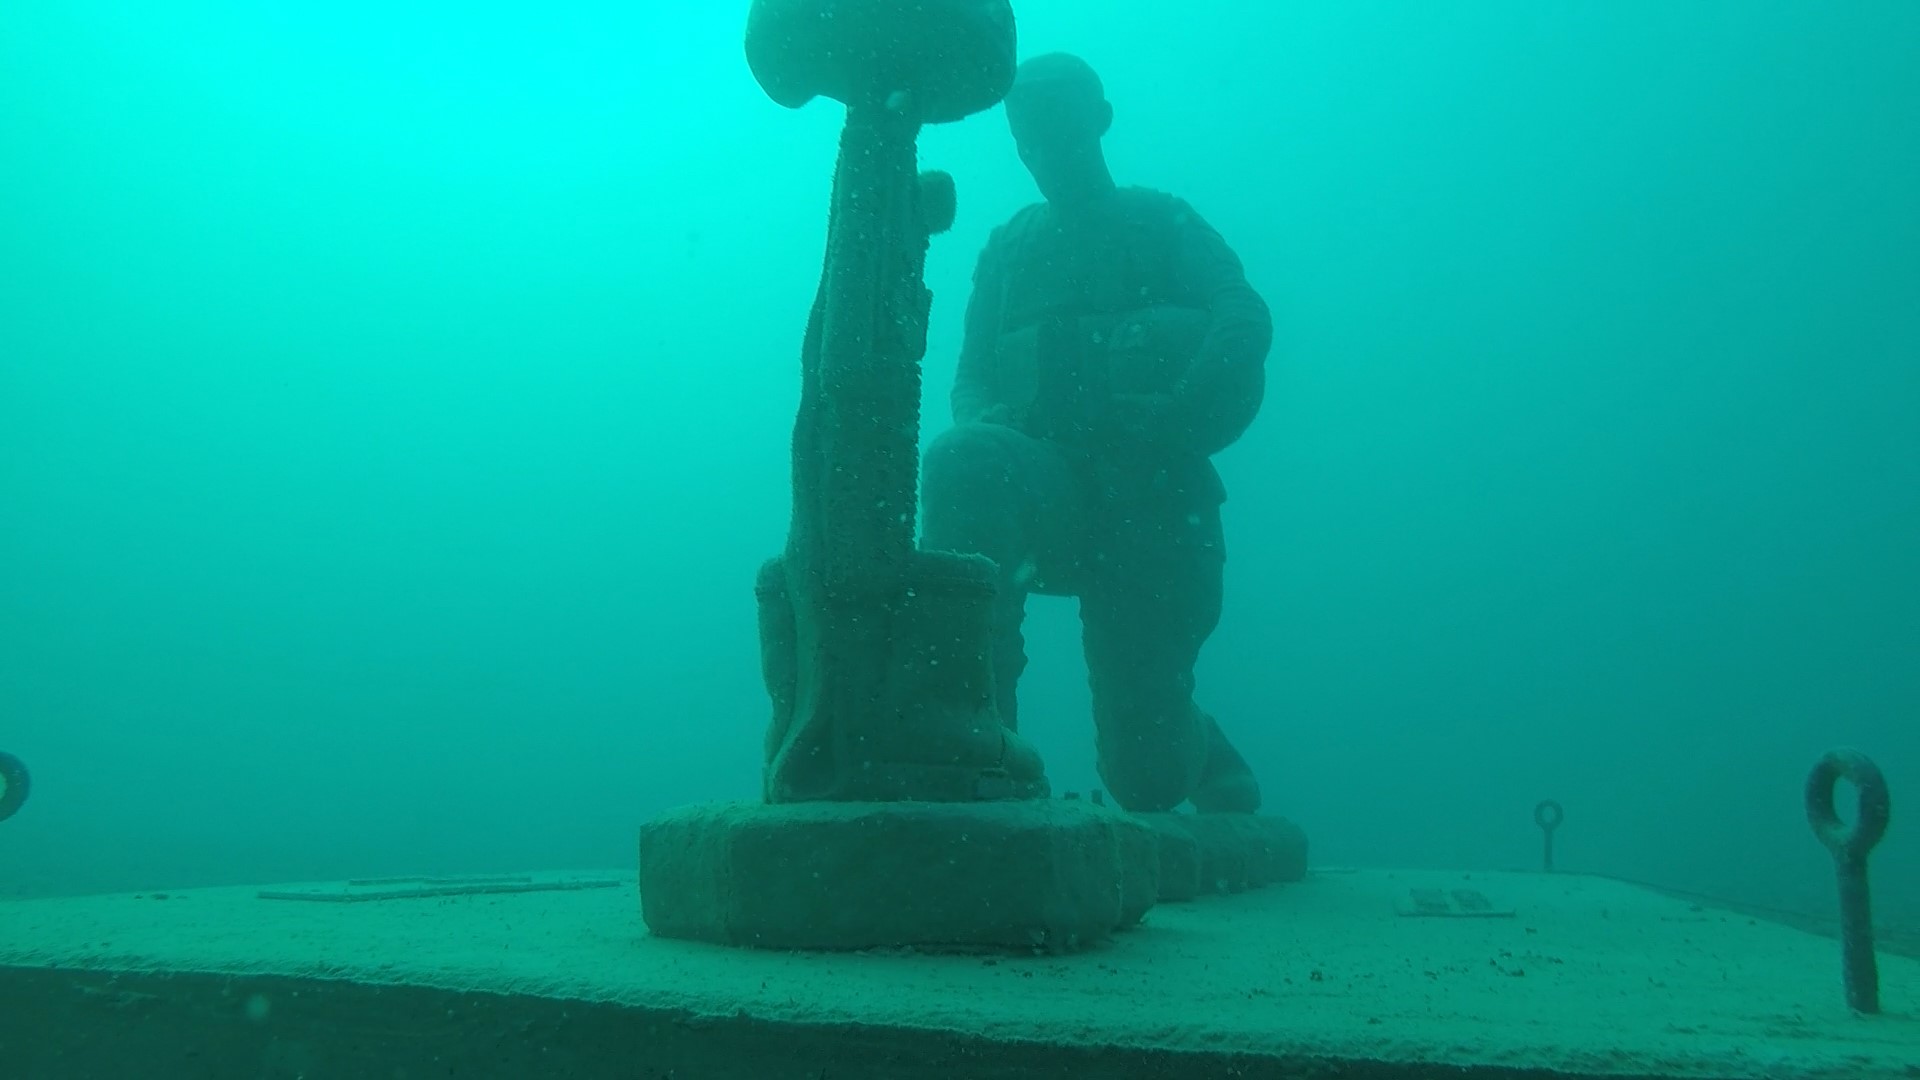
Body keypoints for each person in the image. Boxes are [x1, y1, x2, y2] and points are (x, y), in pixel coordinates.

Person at [920, 53, 1273, 814]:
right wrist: (983, 421)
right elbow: (971, 376)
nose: (1045, 157)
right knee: (962, 458)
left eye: (1061, 135)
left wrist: (1180, 409)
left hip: (1153, 504)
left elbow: (1242, 314)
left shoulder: (1160, 221)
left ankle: (1192, 738)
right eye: (1029, 143)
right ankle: (980, 741)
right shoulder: (1009, 247)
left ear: (1099, 123)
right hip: (1048, 494)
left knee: (1145, 778)